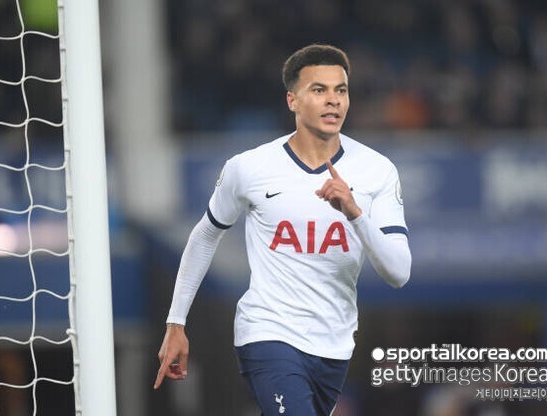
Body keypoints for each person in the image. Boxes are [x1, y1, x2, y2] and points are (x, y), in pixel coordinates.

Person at [154, 44, 412, 415]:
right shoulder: (250, 167)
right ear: (292, 100)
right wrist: (176, 322)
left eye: (340, 90)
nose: (333, 100)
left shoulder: (377, 170)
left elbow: (399, 272)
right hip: (268, 333)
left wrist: (355, 212)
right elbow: (206, 234)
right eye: (319, 90)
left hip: (334, 344)